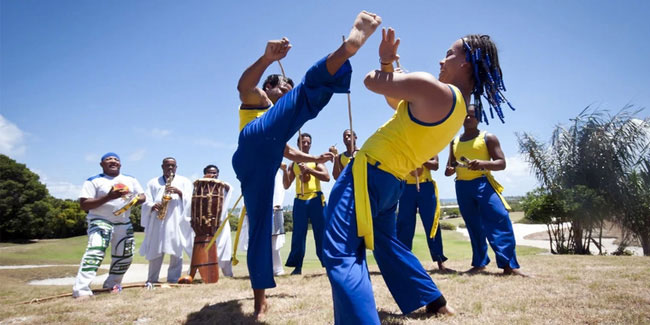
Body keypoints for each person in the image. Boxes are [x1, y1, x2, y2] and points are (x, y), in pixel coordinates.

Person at [323, 28, 515, 323]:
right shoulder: (457, 106)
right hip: (391, 182)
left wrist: (384, 62)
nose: (442, 59)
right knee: (388, 244)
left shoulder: (433, 88)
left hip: (368, 174)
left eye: (450, 54)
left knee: (342, 253)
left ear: (466, 63)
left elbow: (371, 82)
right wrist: (392, 69)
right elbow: (394, 99)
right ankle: (435, 301)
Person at [231, 11, 381, 319]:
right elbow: (243, 85)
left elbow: (290, 152)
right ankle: (346, 51)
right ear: (270, 87)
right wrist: (266, 59)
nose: (283, 90)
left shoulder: (280, 121)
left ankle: (260, 301)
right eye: (281, 86)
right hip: (250, 147)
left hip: (266, 162)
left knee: (259, 230)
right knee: (304, 93)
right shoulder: (259, 99)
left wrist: (317, 159)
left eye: (286, 86)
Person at [444, 104, 524, 276]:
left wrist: (482, 164)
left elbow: (501, 163)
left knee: (499, 219)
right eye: (465, 115)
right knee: (473, 226)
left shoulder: (488, 137)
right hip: (462, 186)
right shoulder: (454, 141)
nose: (467, 118)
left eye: (471, 115)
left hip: (482, 183)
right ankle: (479, 264)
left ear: (479, 118)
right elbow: (448, 168)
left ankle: (509, 266)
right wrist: (451, 169)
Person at [72, 152, 145, 299]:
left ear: (120, 164)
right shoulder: (93, 181)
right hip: (100, 219)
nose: (113, 161)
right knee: (95, 251)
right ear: (102, 164)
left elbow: (143, 196)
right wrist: (109, 197)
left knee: (125, 255)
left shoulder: (130, 179)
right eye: (108, 159)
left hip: (123, 221)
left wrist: (132, 199)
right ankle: (81, 290)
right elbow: (84, 204)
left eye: (116, 159)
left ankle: (112, 284)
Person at [282, 133, 330, 275]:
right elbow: (286, 185)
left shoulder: (316, 161)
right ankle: (297, 266)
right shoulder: (293, 164)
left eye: (308, 142)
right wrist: (285, 171)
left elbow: (326, 177)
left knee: (321, 232)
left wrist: (309, 170)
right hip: (300, 200)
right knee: (298, 234)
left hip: (316, 198)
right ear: (298, 144)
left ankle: (327, 264)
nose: (306, 144)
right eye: (303, 142)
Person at [139, 157, 194, 284]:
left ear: (176, 167)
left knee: (176, 251)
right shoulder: (153, 182)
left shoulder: (184, 181)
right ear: (162, 167)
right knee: (155, 250)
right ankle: (152, 279)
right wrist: (152, 205)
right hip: (158, 221)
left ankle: (173, 279)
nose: (170, 168)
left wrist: (180, 193)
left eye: (173, 165)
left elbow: (192, 200)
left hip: (176, 221)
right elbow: (146, 200)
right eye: (167, 165)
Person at [396, 156, 451, 271]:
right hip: (406, 187)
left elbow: (435, 165)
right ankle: (403, 262)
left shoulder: (428, 143)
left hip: (426, 186)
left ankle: (440, 261)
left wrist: (420, 157)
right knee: (404, 225)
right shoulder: (403, 145)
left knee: (432, 223)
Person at [203, 164, 234, 277]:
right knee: (208, 247)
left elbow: (229, 189)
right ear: (205, 174)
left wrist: (217, 182)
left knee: (225, 248)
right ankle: (209, 273)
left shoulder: (222, 185)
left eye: (215, 173)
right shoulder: (201, 186)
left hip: (222, 223)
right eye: (210, 172)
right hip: (207, 223)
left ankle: (228, 274)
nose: (213, 175)